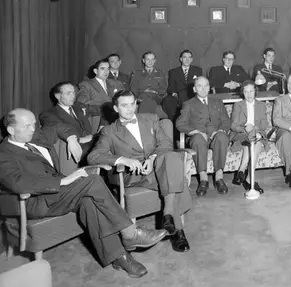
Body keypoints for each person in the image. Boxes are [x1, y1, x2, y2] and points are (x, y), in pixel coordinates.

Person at [0, 109, 168, 278]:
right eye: (27, 126)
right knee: (93, 180)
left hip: (59, 195)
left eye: (34, 124)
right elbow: (17, 182)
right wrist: (62, 181)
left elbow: (58, 127)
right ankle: (130, 232)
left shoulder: (35, 136)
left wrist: (71, 139)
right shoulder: (4, 154)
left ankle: (119, 257)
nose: (33, 129)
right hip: (35, 201)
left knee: (89, 202)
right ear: (11, 130)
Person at [88, 90, 192, 253]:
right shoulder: (109, 131)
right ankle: (177, 230)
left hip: (156, 166)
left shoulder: (151, 119)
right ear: (115, 108)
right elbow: (93, 156)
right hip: (133, 175)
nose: (130, 109)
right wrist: (123, 160)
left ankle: (168, 215)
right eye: (124, 106)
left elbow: (165, 144)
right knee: (176, 177)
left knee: (171, 157)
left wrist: (152, 158)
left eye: (133, 104)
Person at [176, 76, 231, 196]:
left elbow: (226, 121)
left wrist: (220, 130)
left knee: (222, 137)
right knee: (198, 140)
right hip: (198, 137)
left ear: (209, 87)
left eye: (206, 85)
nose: (203, 89)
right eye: (199, 86)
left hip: (215, 135)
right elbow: (180, 124)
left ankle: (219, 177)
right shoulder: (188, 104)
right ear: (194, 89)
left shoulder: (217, 102)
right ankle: (203, 179)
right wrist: (195, 131)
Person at [40, 81, 95, 166]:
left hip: (93, 141)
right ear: (58, 96)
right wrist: (78, 139)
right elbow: (58, 128)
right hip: (78, 148)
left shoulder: (79, 107)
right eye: (68, 93)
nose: (73, 96)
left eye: (73, 92)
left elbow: (98, 109)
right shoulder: (49, 114)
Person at [230, 80, 269, 194]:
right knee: (253, 139)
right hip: (242, 135)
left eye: (251, 91)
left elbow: (265, 124)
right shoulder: (238, 105)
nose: (249, 94)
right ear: (242, 93)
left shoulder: (261, 105)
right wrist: (244, 129)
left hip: (256, 135)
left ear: (255, 91)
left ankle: (243, 172)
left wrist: (254, 128)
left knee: (256, 141)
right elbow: (233, 125)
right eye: (246, 91)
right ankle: (248, 177)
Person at [77, 58, 124, 131]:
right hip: (97, 121)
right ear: (95, 71)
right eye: (102, 69)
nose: (106, 72)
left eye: (108, 69)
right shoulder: (86, 84)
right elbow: (82, 102)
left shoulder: (116, 83)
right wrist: (107, 105)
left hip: (117, 122)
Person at [162, 50, 203, 120]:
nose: (187, 59)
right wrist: (174, 94)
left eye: (189, 57)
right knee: (167, 100)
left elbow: (201, 85)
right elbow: (170, 88)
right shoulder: (173, 72)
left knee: (186, 94)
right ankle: (175, 121)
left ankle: (184, 119)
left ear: (192, 60)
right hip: (178, 96)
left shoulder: (198, 70)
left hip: (192, 95)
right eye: (184, 57)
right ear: (181, 59)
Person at [129, 51, 168, 116]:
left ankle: (142, 121)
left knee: (147, 99)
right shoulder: (136, 73)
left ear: (155, 60)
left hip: (156, 97)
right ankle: (151, 121)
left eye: (152, 59)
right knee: (147, 100)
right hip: (140, 98)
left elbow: (163, 89)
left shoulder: (160, 73)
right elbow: (133, 89)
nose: (150, 62)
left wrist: (151, 92)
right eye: (148, 59)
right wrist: (138, 97)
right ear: (143, 60)